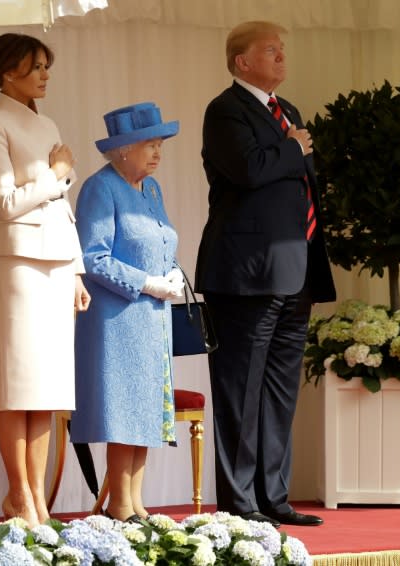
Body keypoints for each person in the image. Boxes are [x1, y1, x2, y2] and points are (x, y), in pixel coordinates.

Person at [194, 21, 337, 527]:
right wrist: (293, 146)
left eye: (283, 50)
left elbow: (301, 191)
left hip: (294, 272)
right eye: (270, 51)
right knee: (240, 389)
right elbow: (250, 171)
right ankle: (240, 502)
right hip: (245, 276)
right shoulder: (225, 110)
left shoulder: (289, 112)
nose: (281, 58)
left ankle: (273, 497)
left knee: (279, 392)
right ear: (242, 62)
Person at [0, 33, 90, 527]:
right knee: (18, 380)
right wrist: (57, 172)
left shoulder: (48, 122)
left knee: (48, 387)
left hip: (58, 260)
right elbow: (5, 203)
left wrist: (78, 269)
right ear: (7, 72)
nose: (45, 74)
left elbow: (61, 206)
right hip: (19, 260)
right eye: (36, 66)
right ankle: (19, 494)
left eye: (47, 65)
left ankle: (37, 498)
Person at [70, 102, 184, 523]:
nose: (157, 153)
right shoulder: (100, 188)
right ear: (121, 150)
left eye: (159, 145)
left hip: (153, 318)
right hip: (116, 319)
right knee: (124, 408)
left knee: (149, 408)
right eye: (148, 145)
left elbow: (162, 241)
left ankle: (136, 501)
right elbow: (92, 257)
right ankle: (120, 503)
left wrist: (171, 273)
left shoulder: (150, 190)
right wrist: (146, 283)